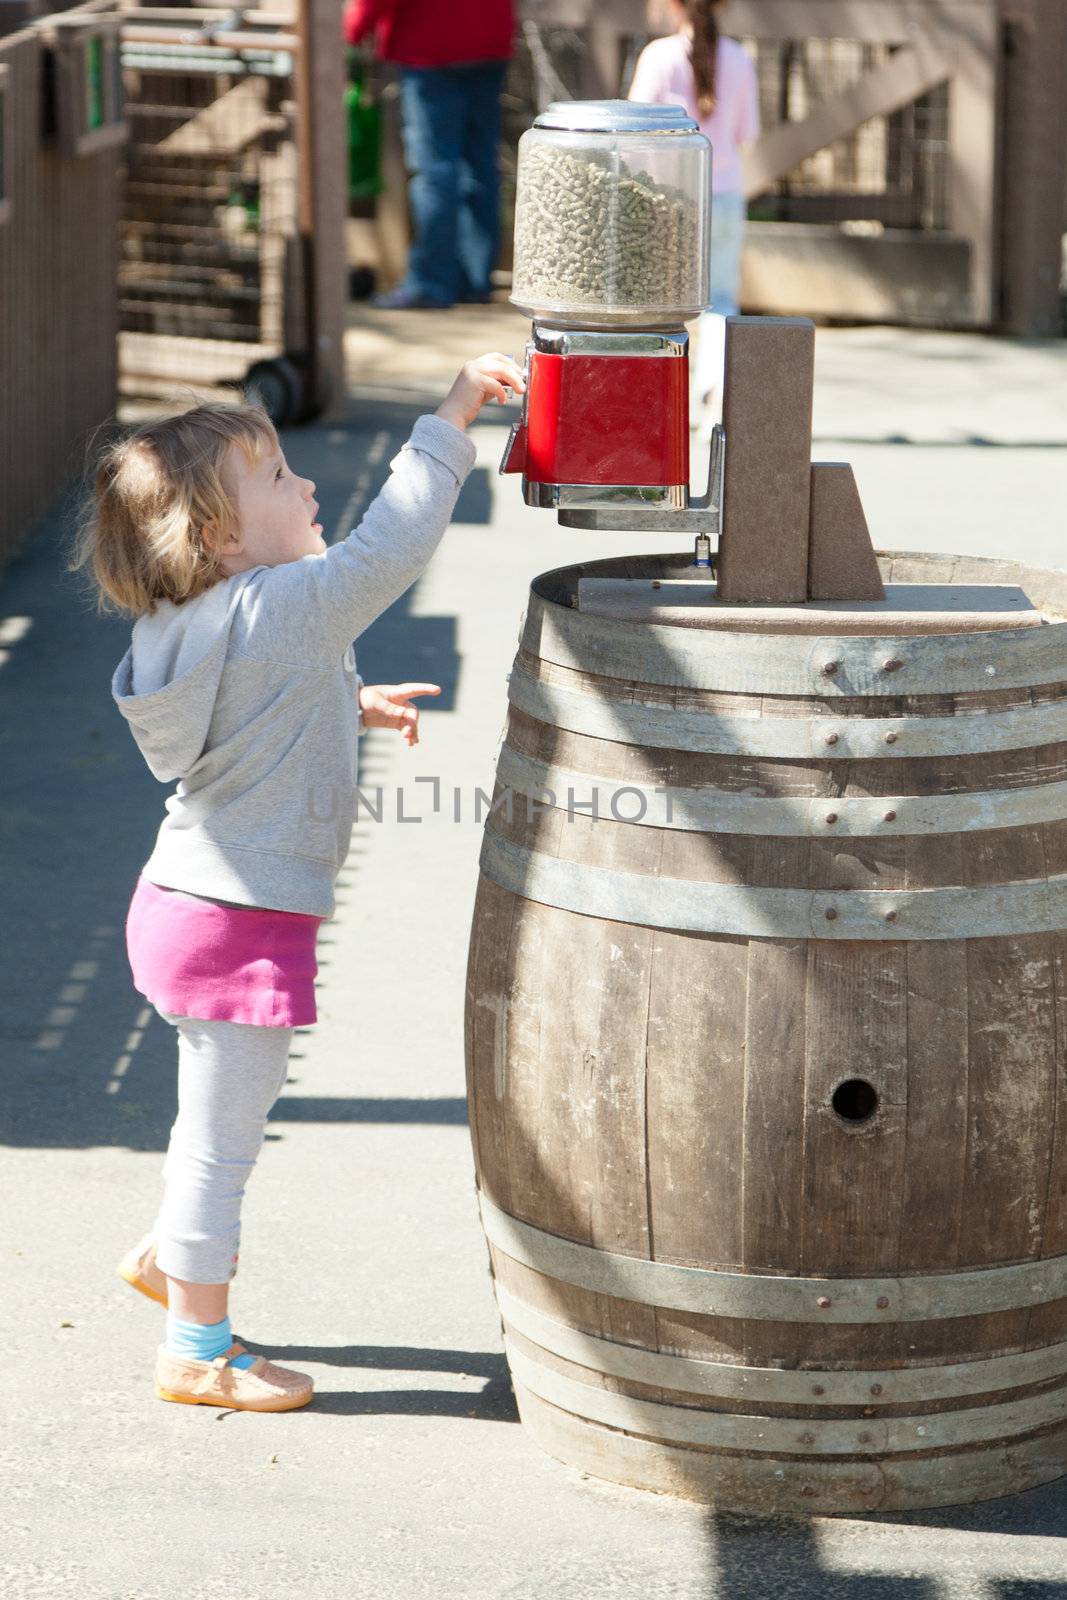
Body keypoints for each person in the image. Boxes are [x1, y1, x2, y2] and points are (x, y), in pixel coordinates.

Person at [68, 351, 525, 1412]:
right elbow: (393, 543)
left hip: (184, 903)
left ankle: (166, 1258)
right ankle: (196, 1346)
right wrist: (450, 417)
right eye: (277, 479)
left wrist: (344, 699)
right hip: (238, 919)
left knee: (209, 1129)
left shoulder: (189, 625)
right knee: (221, 1147)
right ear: (220, 538)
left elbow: (248, 700)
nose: (307, 484)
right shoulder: (279, 607)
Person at [628, 0, 760, 419]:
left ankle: (654, 397)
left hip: (669, 195)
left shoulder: (659, 57)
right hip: (722, 192)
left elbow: (635, 130)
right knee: (720, 300)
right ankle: (715, 389)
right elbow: (747, 133)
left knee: (658, 300)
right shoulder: (739, 59)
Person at [345, 0, 516, 309]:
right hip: (490, 38)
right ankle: (475, 281)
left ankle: (431, 283)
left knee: (435, 169)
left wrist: (352, 30)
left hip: (430, 47)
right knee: (479, 166)